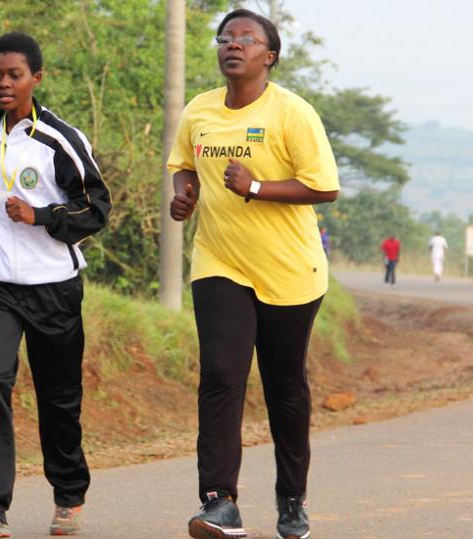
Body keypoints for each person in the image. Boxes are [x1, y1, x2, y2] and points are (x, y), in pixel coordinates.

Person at [167, 9, 339, 539]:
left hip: (290, 271)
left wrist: (256, 188)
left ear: (270, 55)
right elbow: (184, 164)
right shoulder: (199, 110)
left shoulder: (293, 113)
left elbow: (324, 186)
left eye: (247, 38)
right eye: (226, 37)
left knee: (285, 386)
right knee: (221, 374)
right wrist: (184, 195)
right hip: (220, 261)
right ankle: (219, 502)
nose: (233, 44)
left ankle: (292, 498)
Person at [0, 32, 111, 538]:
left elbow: (96, 209)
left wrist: (40, 215)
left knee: (58, 399)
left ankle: (69, 495)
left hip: (53, 287)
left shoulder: (60, 140)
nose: (3, 83)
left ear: (35, 79)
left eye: (14, 75)